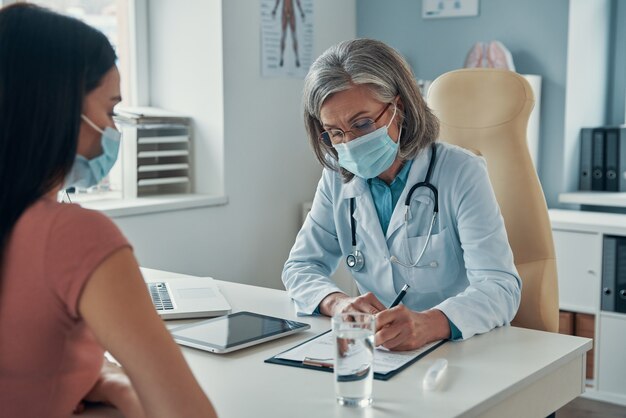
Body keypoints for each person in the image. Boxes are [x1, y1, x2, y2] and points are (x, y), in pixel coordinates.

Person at [0, 4, 217, 417]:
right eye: (111, 110)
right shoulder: (74, 234)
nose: (115, 131)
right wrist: (119, 384)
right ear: (59, 109)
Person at [282, 39, 521, 351]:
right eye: (336, 133)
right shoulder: (336, 180)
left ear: (400, 107)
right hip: (378, 351)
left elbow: (501, 287)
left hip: (457, 351)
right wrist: (336, 303)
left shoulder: (461, 171)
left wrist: (431, 323)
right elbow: (300, 267)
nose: (349, 143)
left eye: (362, 123)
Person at [271, 0, 305, 67]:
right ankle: (281, 58)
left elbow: (297, 1)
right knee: (283, 36)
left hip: (291, 12)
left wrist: (301, 12)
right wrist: (274, 9)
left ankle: (297, 58)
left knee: (294, 36)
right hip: (284, 12)